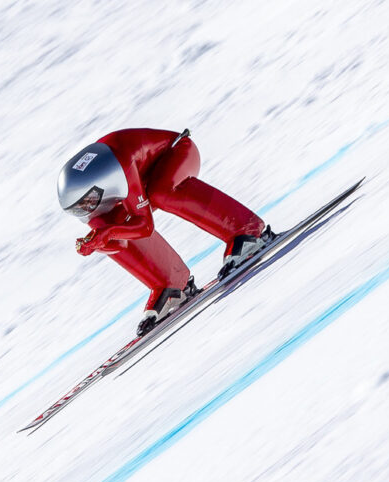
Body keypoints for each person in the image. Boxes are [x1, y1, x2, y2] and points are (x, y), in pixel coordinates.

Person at [57, 128, 275, 335]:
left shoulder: (119, 167)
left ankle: (246, 230)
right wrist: (96, 243)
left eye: (89, 201)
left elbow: (145, 225)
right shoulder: (92, 195)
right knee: (108, 224)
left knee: (161, 192)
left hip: (178, 152)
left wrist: (108, 233)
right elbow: (117, 241)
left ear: (96, 185)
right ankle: (170, 283)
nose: (88, 208)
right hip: (144, 178)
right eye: (79, 208)